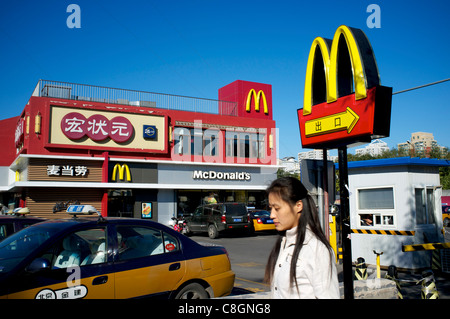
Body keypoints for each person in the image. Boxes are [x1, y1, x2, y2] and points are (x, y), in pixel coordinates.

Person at [264, 177, 340, 299]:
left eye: (277, 208)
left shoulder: (317, 249)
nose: (272, 215)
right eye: (270, 208)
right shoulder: (284, 242)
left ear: (298, 206)